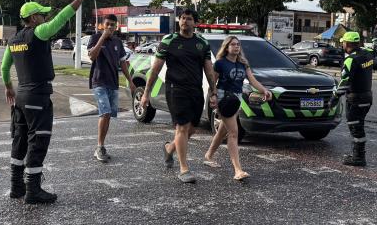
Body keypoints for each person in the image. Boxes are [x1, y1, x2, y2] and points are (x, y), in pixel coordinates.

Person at [1, 0, 96, 204]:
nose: (45, 18)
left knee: (19, 140)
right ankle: (33, 190)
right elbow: (63, 17)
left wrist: (9, 88)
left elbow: (4, 67)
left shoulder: (13, 40)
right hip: (37, 96)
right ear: (34, 18)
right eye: (42, 15)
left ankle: (16, 186)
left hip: (21, 97)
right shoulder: (39, 32)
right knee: (38, 141)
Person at [141, 9, 216, 183]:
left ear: (195, 23)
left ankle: (169, 148)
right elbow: (155, 69)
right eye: (182, 18)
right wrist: (146, 93)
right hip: (175, 89)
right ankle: (184, 169)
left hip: (195, 90)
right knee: (182, 127)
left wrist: (213, 92)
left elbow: (209, 70)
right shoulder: (169, 41)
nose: (184, 21)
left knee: (191, 129)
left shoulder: (202, 43)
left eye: (189, 19)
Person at [203, 35, 271, 181]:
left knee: (222, 130)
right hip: (224, 98)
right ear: (226, 47)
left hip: (236, 99)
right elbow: (213, 82)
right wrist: (213, 96)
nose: (236, 47)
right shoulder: (220, 63)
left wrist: (264, 90)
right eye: (233, 44)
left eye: (238, 44)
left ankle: (208, 155)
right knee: (234, 133)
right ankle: (237, 170)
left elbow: (252, 80)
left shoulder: (243, 64)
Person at [87, 14, 137, 162]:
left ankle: (101, 146)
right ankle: (99, 146)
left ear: (116, 27)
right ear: (103, 25)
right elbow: (92, 56)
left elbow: (123, 63)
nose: (109, 27)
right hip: (99, 81)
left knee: (108, 116)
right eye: (107, 24)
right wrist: (103, 37)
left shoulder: (117, 42)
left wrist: (131, 81)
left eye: (112, 25)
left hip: (113, 83)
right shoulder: (95, 38)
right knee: (105, 112)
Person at [328, 31, 374, 167]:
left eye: (343, 42)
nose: (342, 44)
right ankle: (358, 155)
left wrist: (334, 98)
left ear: (347, 43)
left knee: (356, 128)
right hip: (367, 97)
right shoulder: (367, 53)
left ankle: (358, 157)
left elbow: (344, 82)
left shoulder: (350, 60)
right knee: (359, 126)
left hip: (356, 99)